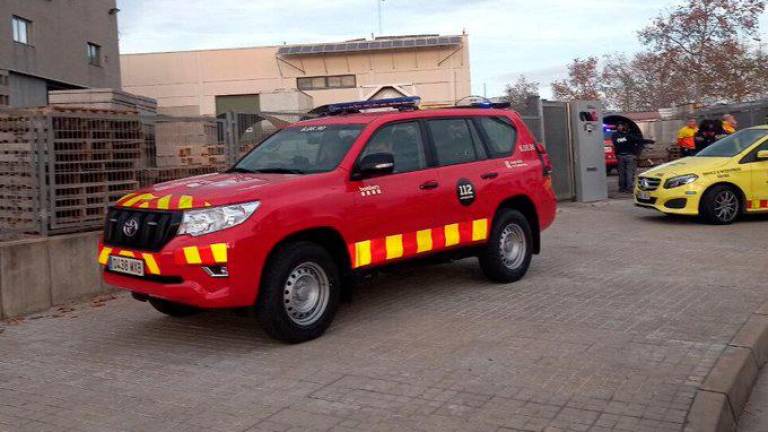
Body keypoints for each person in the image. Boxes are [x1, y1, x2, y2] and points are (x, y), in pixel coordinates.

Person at [612, 123, 651, 193]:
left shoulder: (615, 135)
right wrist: (649, 141)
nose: (621, 127)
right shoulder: (628, 136)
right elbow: (639, 140)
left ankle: (622, 188)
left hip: (621, 156)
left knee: (622, 173)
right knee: (629, 173)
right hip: (628, 156)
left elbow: (616, 142)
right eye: (620, 126)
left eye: (622, 126)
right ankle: (628, 188)